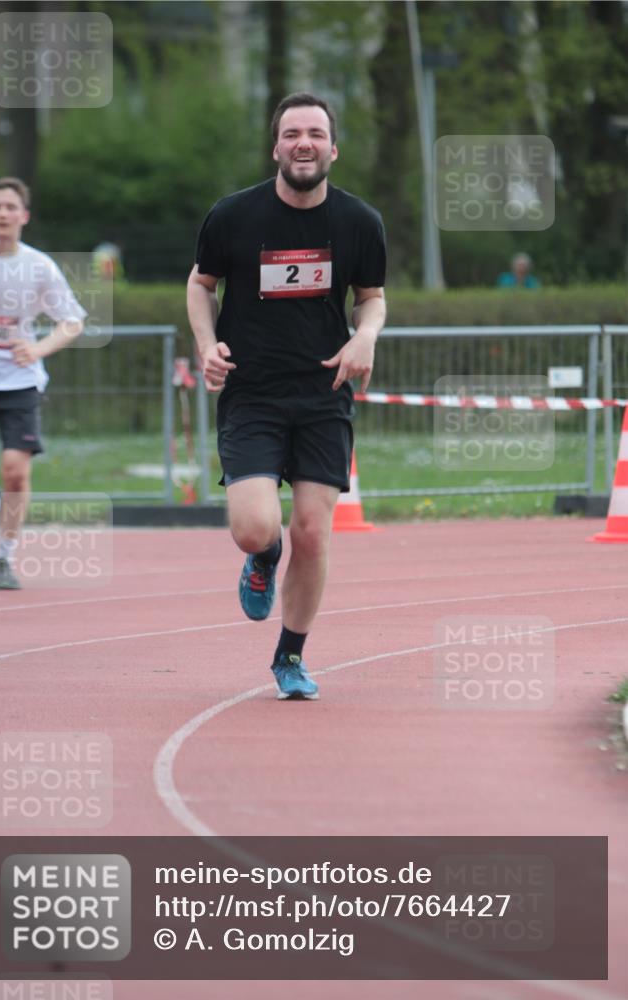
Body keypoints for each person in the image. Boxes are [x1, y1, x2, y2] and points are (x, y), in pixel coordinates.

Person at [187, 92, 386, 700]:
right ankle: (263, 557)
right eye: (293, 132)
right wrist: (206, 343)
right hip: (252, 392)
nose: (305, 142)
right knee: (254, 527)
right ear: (276, 147)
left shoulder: (359, 222)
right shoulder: (233, 216)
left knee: (315, 531)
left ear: (333, 149)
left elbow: (371, 297)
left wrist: (365, 337)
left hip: (324, 393)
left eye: (316, 133)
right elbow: (201, 286)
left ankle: (291, 657)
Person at [0, 177, 86, 589]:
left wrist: (38, 349)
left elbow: (72, 321)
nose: (2, 214)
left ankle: (5, 556)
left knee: (16, 472)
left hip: (18, 382)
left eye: (10, 208)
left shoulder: (38, 266)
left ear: (24, 216)